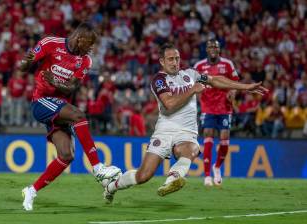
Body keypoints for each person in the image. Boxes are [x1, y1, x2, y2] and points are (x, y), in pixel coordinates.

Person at [103, 43, 267, 203]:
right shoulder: (159, 80)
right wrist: (192, 90)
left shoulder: (190, 74)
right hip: (164, 131)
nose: (175, 63)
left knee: (192, 149)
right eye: (170, 59)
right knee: (143, 176)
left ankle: (172, 180)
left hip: (187, 133)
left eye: (177, 58)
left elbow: (215, 80)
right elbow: (170, 104)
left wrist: (245, 87)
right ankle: (112, 186)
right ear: (162, 61)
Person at [20, 22, 121, 211]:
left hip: (60, 107)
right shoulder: (50, 43)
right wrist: (26, 62)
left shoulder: (85, 61)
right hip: (41, 101)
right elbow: (24, 67)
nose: (91, 48)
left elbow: (72, 87)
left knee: (66, 155)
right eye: (90, 43)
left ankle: (31, 190)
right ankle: (98, 168)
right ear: (80, 38)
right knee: (78, 114)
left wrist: (55, 82)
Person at [194, 39, 239, 186]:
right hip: (207, 107)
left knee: (225, 138)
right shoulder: (199, 66)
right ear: (206, 49)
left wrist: (232, 91)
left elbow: (235, 81)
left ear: (219, 49)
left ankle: (217, 167)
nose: (213, 48)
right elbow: (194, 84)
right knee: (208, 134)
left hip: (224, 107)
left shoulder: (227, 64)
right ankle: (207, 175)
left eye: (215, 46)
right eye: (210, 46)